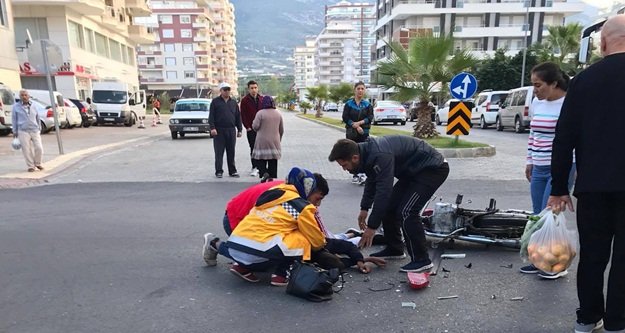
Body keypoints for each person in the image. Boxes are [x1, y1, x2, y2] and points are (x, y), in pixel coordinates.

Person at [547, 14, 625, 333]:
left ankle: (587, 317)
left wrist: (558, 187)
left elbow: (564, 137)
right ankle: (618, 322)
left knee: (592, 256)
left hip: (592, 187)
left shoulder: (583, 81)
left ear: (603, 42)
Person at [202, 171, 385, 277]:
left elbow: (320, 238)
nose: (317, 204)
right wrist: (352, 257)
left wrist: (354, 258)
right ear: (310, 189)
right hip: (236, 221)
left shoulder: (281, 190)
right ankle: (276, 271)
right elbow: (319, 240)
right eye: (318, 198)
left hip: (244, 228)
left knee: (248, 249)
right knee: (290, 244)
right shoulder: (299, 205)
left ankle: (224, 249)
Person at [328, 136, 449, 272]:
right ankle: (395, 248)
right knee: (388, 209)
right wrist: (364, 208)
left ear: (355, 158)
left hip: (432, 169)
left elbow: (383, 192)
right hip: (412, 172)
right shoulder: (367, 154)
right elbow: (372, 180)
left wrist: (372, 227)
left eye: (344, 165)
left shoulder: (380, 155)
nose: (344, 169)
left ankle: (422, 260)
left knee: (407, 212)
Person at [203, 168, 327, 286]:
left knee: (250, 247)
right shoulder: (302, 207)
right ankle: (281, 275)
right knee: (302, 237)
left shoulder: (271, 193)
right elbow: (316, 241)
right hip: (254, 245)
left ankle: (220, 247)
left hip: (235, 242)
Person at [520, 62, 576, 279]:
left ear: (554, 84)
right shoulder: (537, 103)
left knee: (550, 215)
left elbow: (576, 139)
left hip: (561, 168)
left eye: (539, 85)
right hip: (539, 165)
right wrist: (530, 161)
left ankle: (555, 265)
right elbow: (533, 135)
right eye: (533, 85)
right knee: (537, 215)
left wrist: (577, 167)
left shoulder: (569, 104)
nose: (535, 90)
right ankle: (539, 259)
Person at [208, 82, 242, 178]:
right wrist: (212, 128)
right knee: (219, 152)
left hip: (231, 130)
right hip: (219, 130)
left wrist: (239, 129)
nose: (227, 91)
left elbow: (238, 117)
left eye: (228, 89)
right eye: (225, 89)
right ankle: (219, 171)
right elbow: (211, 116)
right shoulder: (215, 102)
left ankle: (232, 171)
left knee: (231, 151)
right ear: (221, 91)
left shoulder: (233, 102)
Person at [342, 81, 373, 185]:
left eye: (362, 89)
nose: (360, 91)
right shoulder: (348, 104)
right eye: (358, 88)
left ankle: (363, 173)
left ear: (364, 90)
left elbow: (370, 117)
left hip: (364, 132)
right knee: (352, 153)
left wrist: (360, 123)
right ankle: (355, 174)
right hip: (351, 133)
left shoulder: (368, 104)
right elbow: (345, 117)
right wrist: (354, 125)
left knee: (363, 153)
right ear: (354, 90)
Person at [252, 96, 283, 182]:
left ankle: (264, 172)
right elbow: (281, 129)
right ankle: (271, 177)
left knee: (260, 159)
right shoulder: (278, 113)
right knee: (273, 160)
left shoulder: (260, 113)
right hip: (275, 141)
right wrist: (279, 139)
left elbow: (255, 127)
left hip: (262, 140)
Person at [12, 89, 44, 172]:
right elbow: (14, 119)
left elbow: (38, 117)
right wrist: (14, 131)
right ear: (20, 97)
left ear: (28, 96)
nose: (24, 97)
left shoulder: (33, 105)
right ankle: (31, 166)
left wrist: (39, 127)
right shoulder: (16, 107)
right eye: (22, 95)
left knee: (39, 147)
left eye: (25, 95)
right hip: (23, 130)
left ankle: (38, 163)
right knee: (26, 149)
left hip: (34, 129)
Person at [240, 80, 263, 177]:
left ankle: (261, 167)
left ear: (258, 88)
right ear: (248, 89)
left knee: (262, 149)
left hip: (262, 129)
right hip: (251, 129)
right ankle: (254, 167)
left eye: (255, 88)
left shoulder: (261, 99)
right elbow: (243, 115)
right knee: (253, 148)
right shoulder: (245, 100)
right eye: (252, 88)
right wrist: (247, 127)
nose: (254, 90)